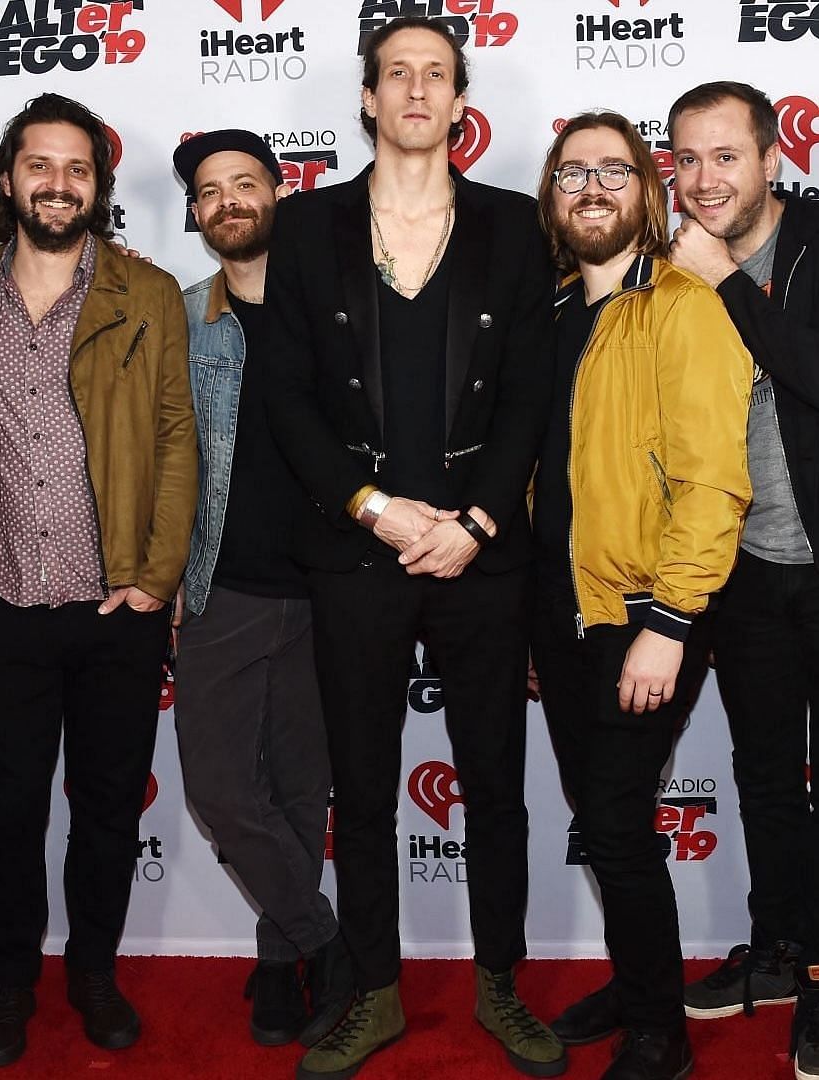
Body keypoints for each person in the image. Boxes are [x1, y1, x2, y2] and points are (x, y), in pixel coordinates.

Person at [260, 15, 562, 1080]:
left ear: (460, 100)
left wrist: (475, 521)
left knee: (495, 781)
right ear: (369, 100)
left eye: (438, 75)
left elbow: (532, 390)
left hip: (483, 555)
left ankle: (500, 985)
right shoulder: (308, 228)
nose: (418, 91)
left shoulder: (513, 227)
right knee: (363, 783)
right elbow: (284, 394)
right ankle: (376, 991)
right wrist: (370, 505)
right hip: (356, 552)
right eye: (399, 74)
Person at [661, 80, 819, 1080]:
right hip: (744, 569)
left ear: (773, 159)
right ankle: (771, 949)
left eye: (726, 155)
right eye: (685, 159)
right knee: (762, 776)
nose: (704, 178)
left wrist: (724, 278)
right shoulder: (671, 266)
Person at [0, 92, 196, 1067]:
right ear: (8, 179)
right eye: (39, 165)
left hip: (116, 609)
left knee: (104, 807)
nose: (57, 184)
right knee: (6, 811)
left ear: (97, 185)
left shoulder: (150, 294)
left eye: (77, 169)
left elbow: (177, 439)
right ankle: (10, 983)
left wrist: (156, 576)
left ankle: (93, 971)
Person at [529, 112, 752, 1080]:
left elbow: (714, 482)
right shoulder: (549, 315)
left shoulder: (682, 306)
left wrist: (670, 622)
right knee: (601, 814)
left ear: (647, 193)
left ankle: (660, 1027)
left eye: (613, 170)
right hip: (563, 611)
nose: (591, 187)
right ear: (552, 195)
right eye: (572, 171)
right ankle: (636, 978)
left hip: (643, 614)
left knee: (617, 819)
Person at [169, 127, 353, 1049]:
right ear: (197, 214)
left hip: (330, 592)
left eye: (246, 183)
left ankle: (283, 959)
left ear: (280, 193)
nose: (230, 201)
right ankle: (331, 941)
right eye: (211, 191)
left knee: (298, 792)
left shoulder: (337, 310)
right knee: (219, 788)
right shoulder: (185, 320)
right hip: (222, 591)